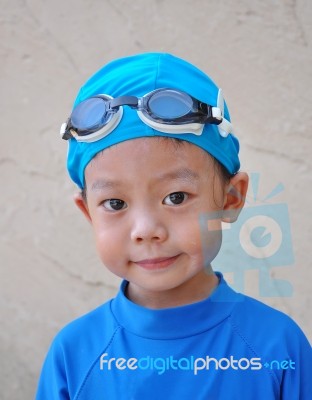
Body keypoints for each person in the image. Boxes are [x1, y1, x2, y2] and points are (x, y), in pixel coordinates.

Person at [36, 53, 311, 399]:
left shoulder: (277, 348)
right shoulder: (73, 355)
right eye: (116, 204)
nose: (146, 229)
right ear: (88, 212)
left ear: (230, 199)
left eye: (177, 197)